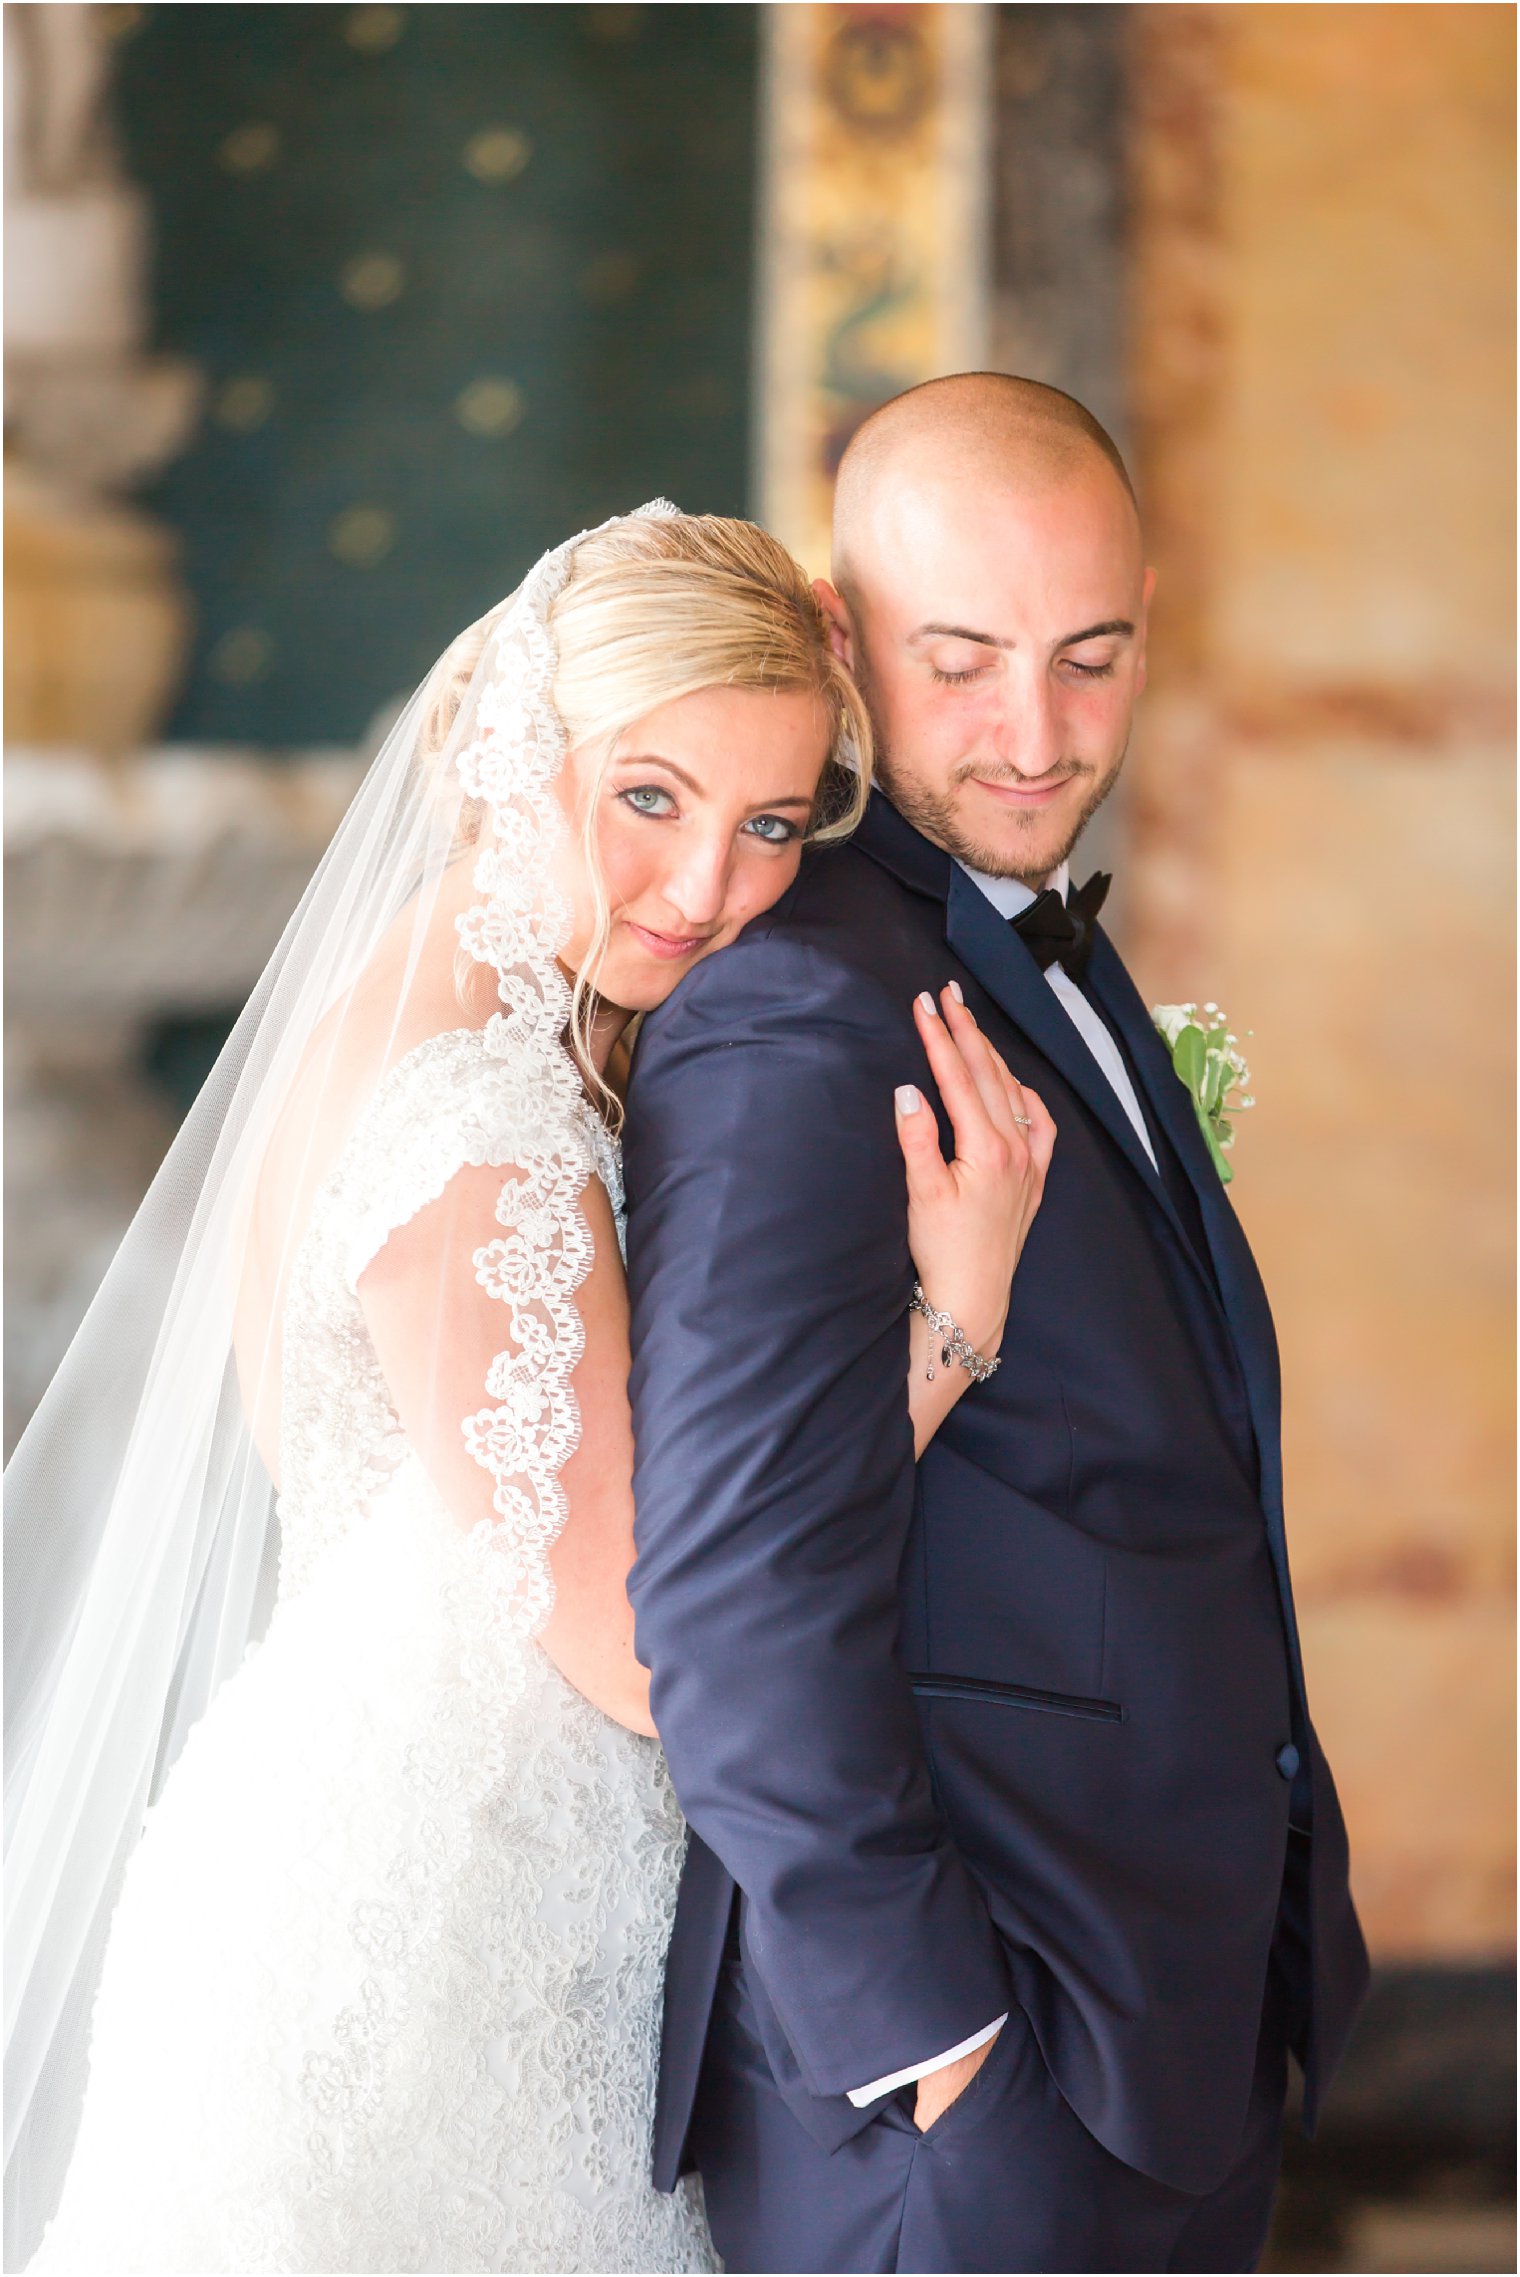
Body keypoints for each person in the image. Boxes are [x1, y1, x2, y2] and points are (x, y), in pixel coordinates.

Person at [3, 503, 1053, 2276]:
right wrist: (952, 1327)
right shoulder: (469, 1113)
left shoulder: (474, 1009)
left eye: (770, 823)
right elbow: (650, 1643)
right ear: (514, 747)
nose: (707, 890)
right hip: (418, 1972)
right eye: (648, 796)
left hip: (476, 1911)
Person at [625, 379, 1371, 2275]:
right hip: (976, 2090)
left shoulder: (1031, 937)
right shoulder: (795, 1007)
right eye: (960, 662)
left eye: (1092, 657)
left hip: (1171, 2027)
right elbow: (730, 1588)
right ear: (841, 636)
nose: (1034, 734)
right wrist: (937, 2049)